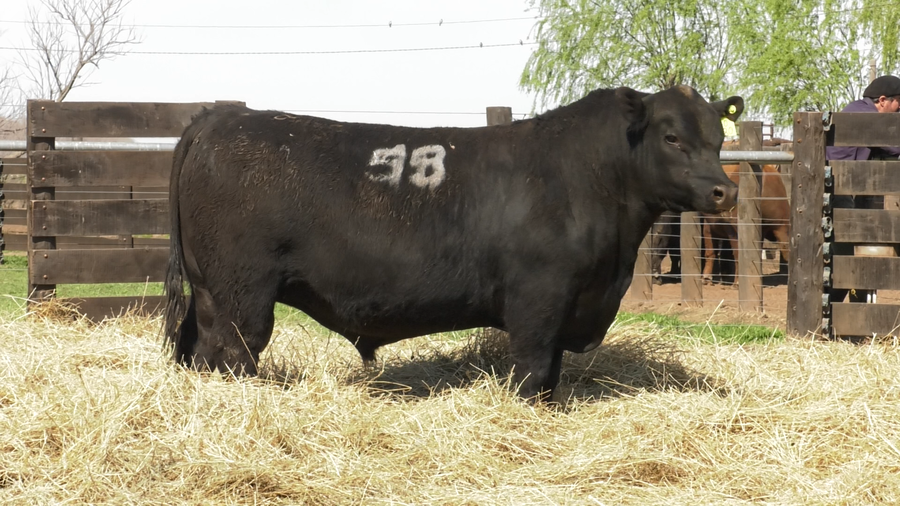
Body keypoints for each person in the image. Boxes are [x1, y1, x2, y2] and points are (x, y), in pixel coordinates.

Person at [826, 75, 900, 304]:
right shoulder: (867, 117)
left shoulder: (857, 110)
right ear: (882, 100)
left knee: (845, 251)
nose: (899, 110)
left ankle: (838, 307)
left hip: (841, 189)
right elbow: (894, 146)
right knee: (845, 252)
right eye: (898, 103)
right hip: (838, 191)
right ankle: (833, 308)